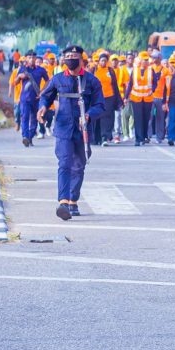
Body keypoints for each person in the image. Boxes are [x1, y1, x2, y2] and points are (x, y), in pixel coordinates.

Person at [37, 45, 104, 221]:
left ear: (81, 59)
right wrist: (43, 107)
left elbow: (100, 105)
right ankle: (63, 202)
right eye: (67, 57)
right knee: (64, 163)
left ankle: (73, 200)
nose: (70, 59)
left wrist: (89, 115)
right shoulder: (58, 79)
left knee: (79, 166)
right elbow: (45, 96)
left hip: (82, 130)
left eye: (74, 57)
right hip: (63, 128)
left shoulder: (92, 81)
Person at [15, 50, 49, 146]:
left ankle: (30, 137)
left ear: (36, 58)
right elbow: (15, 82)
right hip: (25, 98)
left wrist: (42, 91)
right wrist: (20, 76)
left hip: (36, 98)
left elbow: (48, 81)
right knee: (25, 117)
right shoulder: (23, 69)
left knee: (35, 118)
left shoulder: (41, 70)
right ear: (26, 58)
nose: (32, 59)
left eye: (33, 57)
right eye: (29, 57)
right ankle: (25, 137)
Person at [125, 51, 157, 145]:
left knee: (146, 118)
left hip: (148, 98)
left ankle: (143, 136)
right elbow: (130, 84)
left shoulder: (151, 70)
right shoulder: (135, 70)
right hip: (136, 98)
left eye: (147, 60)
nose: (146, 61)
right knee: (138, 118)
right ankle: (138, 139)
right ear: (140, 60)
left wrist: (152, 90)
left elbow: (155, 82)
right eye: (144, 60)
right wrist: (126, 97)